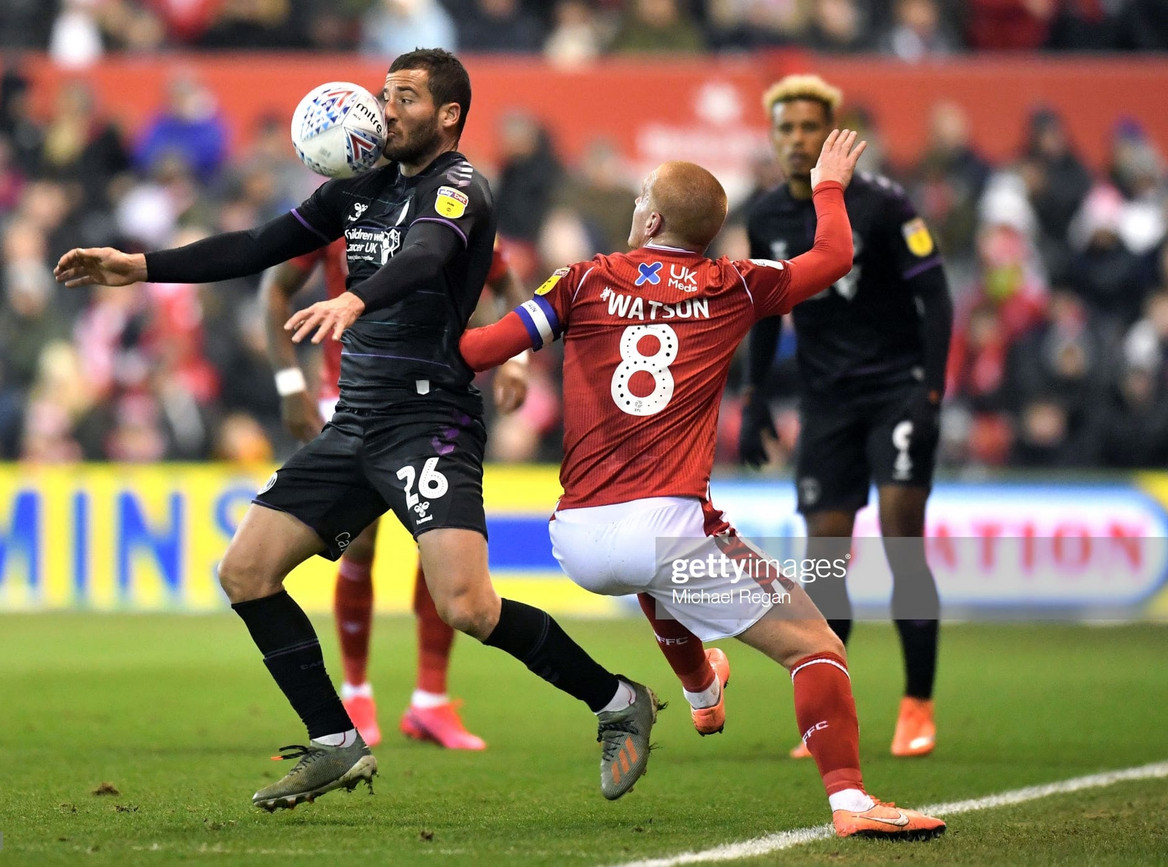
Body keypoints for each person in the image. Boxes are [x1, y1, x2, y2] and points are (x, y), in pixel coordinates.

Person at [55, 48, 659, 810]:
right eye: (383, 94)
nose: (385, 109)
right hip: (357, 420)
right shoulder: (358, 188)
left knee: (468, 606)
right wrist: (138, 267)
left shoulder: (460, 187)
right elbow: (258, 247)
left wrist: (358, 300)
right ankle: (337, 742)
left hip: (429, 419)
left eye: (403, 97)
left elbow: (430, 254)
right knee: (245, 571)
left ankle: (616, 699)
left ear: (447, 115)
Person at [460, 135, 945, 840]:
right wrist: (830, 187)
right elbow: (836, 257)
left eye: (640, 200)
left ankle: (699, 686)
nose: (633, 207)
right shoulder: (735, 283)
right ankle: (850, 801)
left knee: (663, 570)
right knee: (817, 648)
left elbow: (479, 350)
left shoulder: (582, 280)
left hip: (577, 537)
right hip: (665, 525)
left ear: (653, 222)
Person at [738, 74, 953, 759]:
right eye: (786, 129)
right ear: (772, 138)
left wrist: (930, 394)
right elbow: (767, 310)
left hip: (896, 391)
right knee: (825, 560)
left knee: (900, 538)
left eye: (810, 128)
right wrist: (754, 398)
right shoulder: (766, 215)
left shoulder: (886, 205)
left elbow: (938, 300)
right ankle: (834, 714)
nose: (797, 140)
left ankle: (917, 703)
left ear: (833, 134)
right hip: (825, 401)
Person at [260, 239, 529, 749]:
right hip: (351, 393)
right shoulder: (345, 205)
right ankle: (356, 693)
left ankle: (430, 701)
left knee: (440, 541)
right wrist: (289, 381)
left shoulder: (449, 207)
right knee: (359, 542)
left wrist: (516, 362)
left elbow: (504, 280)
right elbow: (274, 286)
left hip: (435, 396)